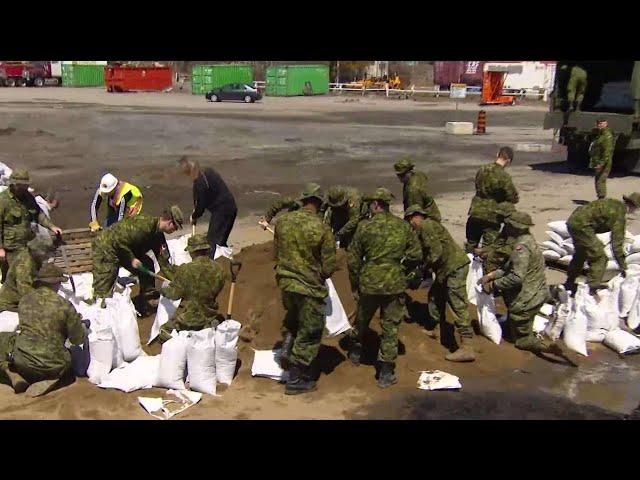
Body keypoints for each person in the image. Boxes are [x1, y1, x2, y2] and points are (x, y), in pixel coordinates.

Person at [478, 212, 578, 365]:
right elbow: (508, 268)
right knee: (516, 327)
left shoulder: (521, 248)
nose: (506, 228)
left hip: (526, 301)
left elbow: (516, 278)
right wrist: (491, 275)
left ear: (516, 227)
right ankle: (529, 332)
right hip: (536, 294)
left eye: (509, 225)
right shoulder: (527, 241)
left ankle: (548, 348)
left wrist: (493, 285)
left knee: (520, 341)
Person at [346, 188, 422, 388]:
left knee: (362, 320)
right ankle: (385, 373)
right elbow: (415, 255)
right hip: (394, 285)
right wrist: (399, 269)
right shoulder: (403, 227)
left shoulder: (364, 227)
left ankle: (355, 352)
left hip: (369, 283)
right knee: (390, 328)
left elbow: (353, 259)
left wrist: (355, 283)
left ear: (375, 204)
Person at [273, 184, 336, 395]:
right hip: (308, 287)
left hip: (286, 283)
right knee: (311, 329)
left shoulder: (283, 223)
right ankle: (297, 377)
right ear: (320, 203)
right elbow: (328, 266)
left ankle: (288, 345)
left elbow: (277, 253)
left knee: (294, 317)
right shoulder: (322, 227)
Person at [0, 263, 89, 397]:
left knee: (5, 339)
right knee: (62, 355)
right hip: (55, 364)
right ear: (57, 283)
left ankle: (10, 370)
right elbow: (77, 339)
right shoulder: (64, 305)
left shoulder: (25, 300)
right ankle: (51, 377)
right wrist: (81, 325)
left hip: (23, 360)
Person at [404, 204, 477, 362]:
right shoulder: (428, 226)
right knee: (435, 296)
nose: (411, 225)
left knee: (457, 304)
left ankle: (467, 347)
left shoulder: (426, 226)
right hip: (446, 269)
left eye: (410, 220)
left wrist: (422, 269)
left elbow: (435, 253)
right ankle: (437, 328)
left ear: (415, 217)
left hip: (454, 267)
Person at [90, 206, 183, 315]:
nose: (175, 230)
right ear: (170, 222)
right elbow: (118, 240)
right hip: (107, 247)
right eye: (176, 227)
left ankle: (147, 300)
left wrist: (176, 282)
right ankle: (100, 314)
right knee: (104, 284)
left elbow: (164, 262)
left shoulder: (158, 236)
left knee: (147, 265)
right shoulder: (142, 225)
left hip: (126, 250)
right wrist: (131, 258)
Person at [565, 193, 640, 294]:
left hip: (573, 221)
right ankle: (592, 288)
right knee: (600, 257)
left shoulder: (612, 202)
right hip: (583, 226)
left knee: (581, 254)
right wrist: (623, 267)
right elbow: (616, 245)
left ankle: (569, 282)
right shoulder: (619, 216)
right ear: (633, 206)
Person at [158, 234, 226, 342]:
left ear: (192, 251)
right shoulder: (219, 269)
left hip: (190, 319)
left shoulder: (186, 270)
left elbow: (175, 295)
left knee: (163, 331)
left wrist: (163, 291)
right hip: (210, 315)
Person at [0, 170, 62, 281]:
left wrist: (52, 226)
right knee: (13, 277)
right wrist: (0, 248)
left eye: (25, 185)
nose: (23, 188)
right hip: (11, 247)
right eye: (20, 185)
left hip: (27, 244)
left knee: (28, 273)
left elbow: (38, 214)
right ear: (13, 184)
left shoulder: (28, 198)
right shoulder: (3, 201)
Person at [465, 147, 519, 258]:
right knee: (488, 249)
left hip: (475, 211)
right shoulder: (504, 176)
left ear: (497, 154)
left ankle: (468, 269)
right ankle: (485, 272)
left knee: (471, 244)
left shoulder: (482, 169)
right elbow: (512, 197)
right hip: (492, 216)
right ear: (508, 161)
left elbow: (477, 185)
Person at [178, 156, 237, 251]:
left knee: (213, 241)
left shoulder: (199, 182)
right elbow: (198, 200)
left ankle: (217, 262)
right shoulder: (208, 171)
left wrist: (194, 216)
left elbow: (201, 205)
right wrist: (195, 213)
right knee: (220, 241)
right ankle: (224, 259)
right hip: (230, 207)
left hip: (222, 211)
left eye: (186, 173)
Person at [0, 236, 56, 312]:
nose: (47, 256)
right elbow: (24, 289)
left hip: (18, 299)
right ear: (38, 251)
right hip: (11, 303)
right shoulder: (24, 264)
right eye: (45, 253)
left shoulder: (32, 256)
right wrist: (43, 301)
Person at [394, 156, 441, 221]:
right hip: (433, 213)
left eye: (402, 175)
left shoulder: (413, 191)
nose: (399, 178)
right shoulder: (418, 174)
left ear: (409, 172)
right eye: (398, 175)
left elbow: (415, 213)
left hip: (428, 219)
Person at [589, 119, 615, 199]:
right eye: (598, 123)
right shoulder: (601, 134)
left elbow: (607, 151)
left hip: (604, 162)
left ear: (606, 123)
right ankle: (600, 198)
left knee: (600, 180)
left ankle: (602, 200)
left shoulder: (607, 135)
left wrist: (601, 163)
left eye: (601, 123)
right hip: (599, 161)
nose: (599, 125)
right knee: (598, 180)